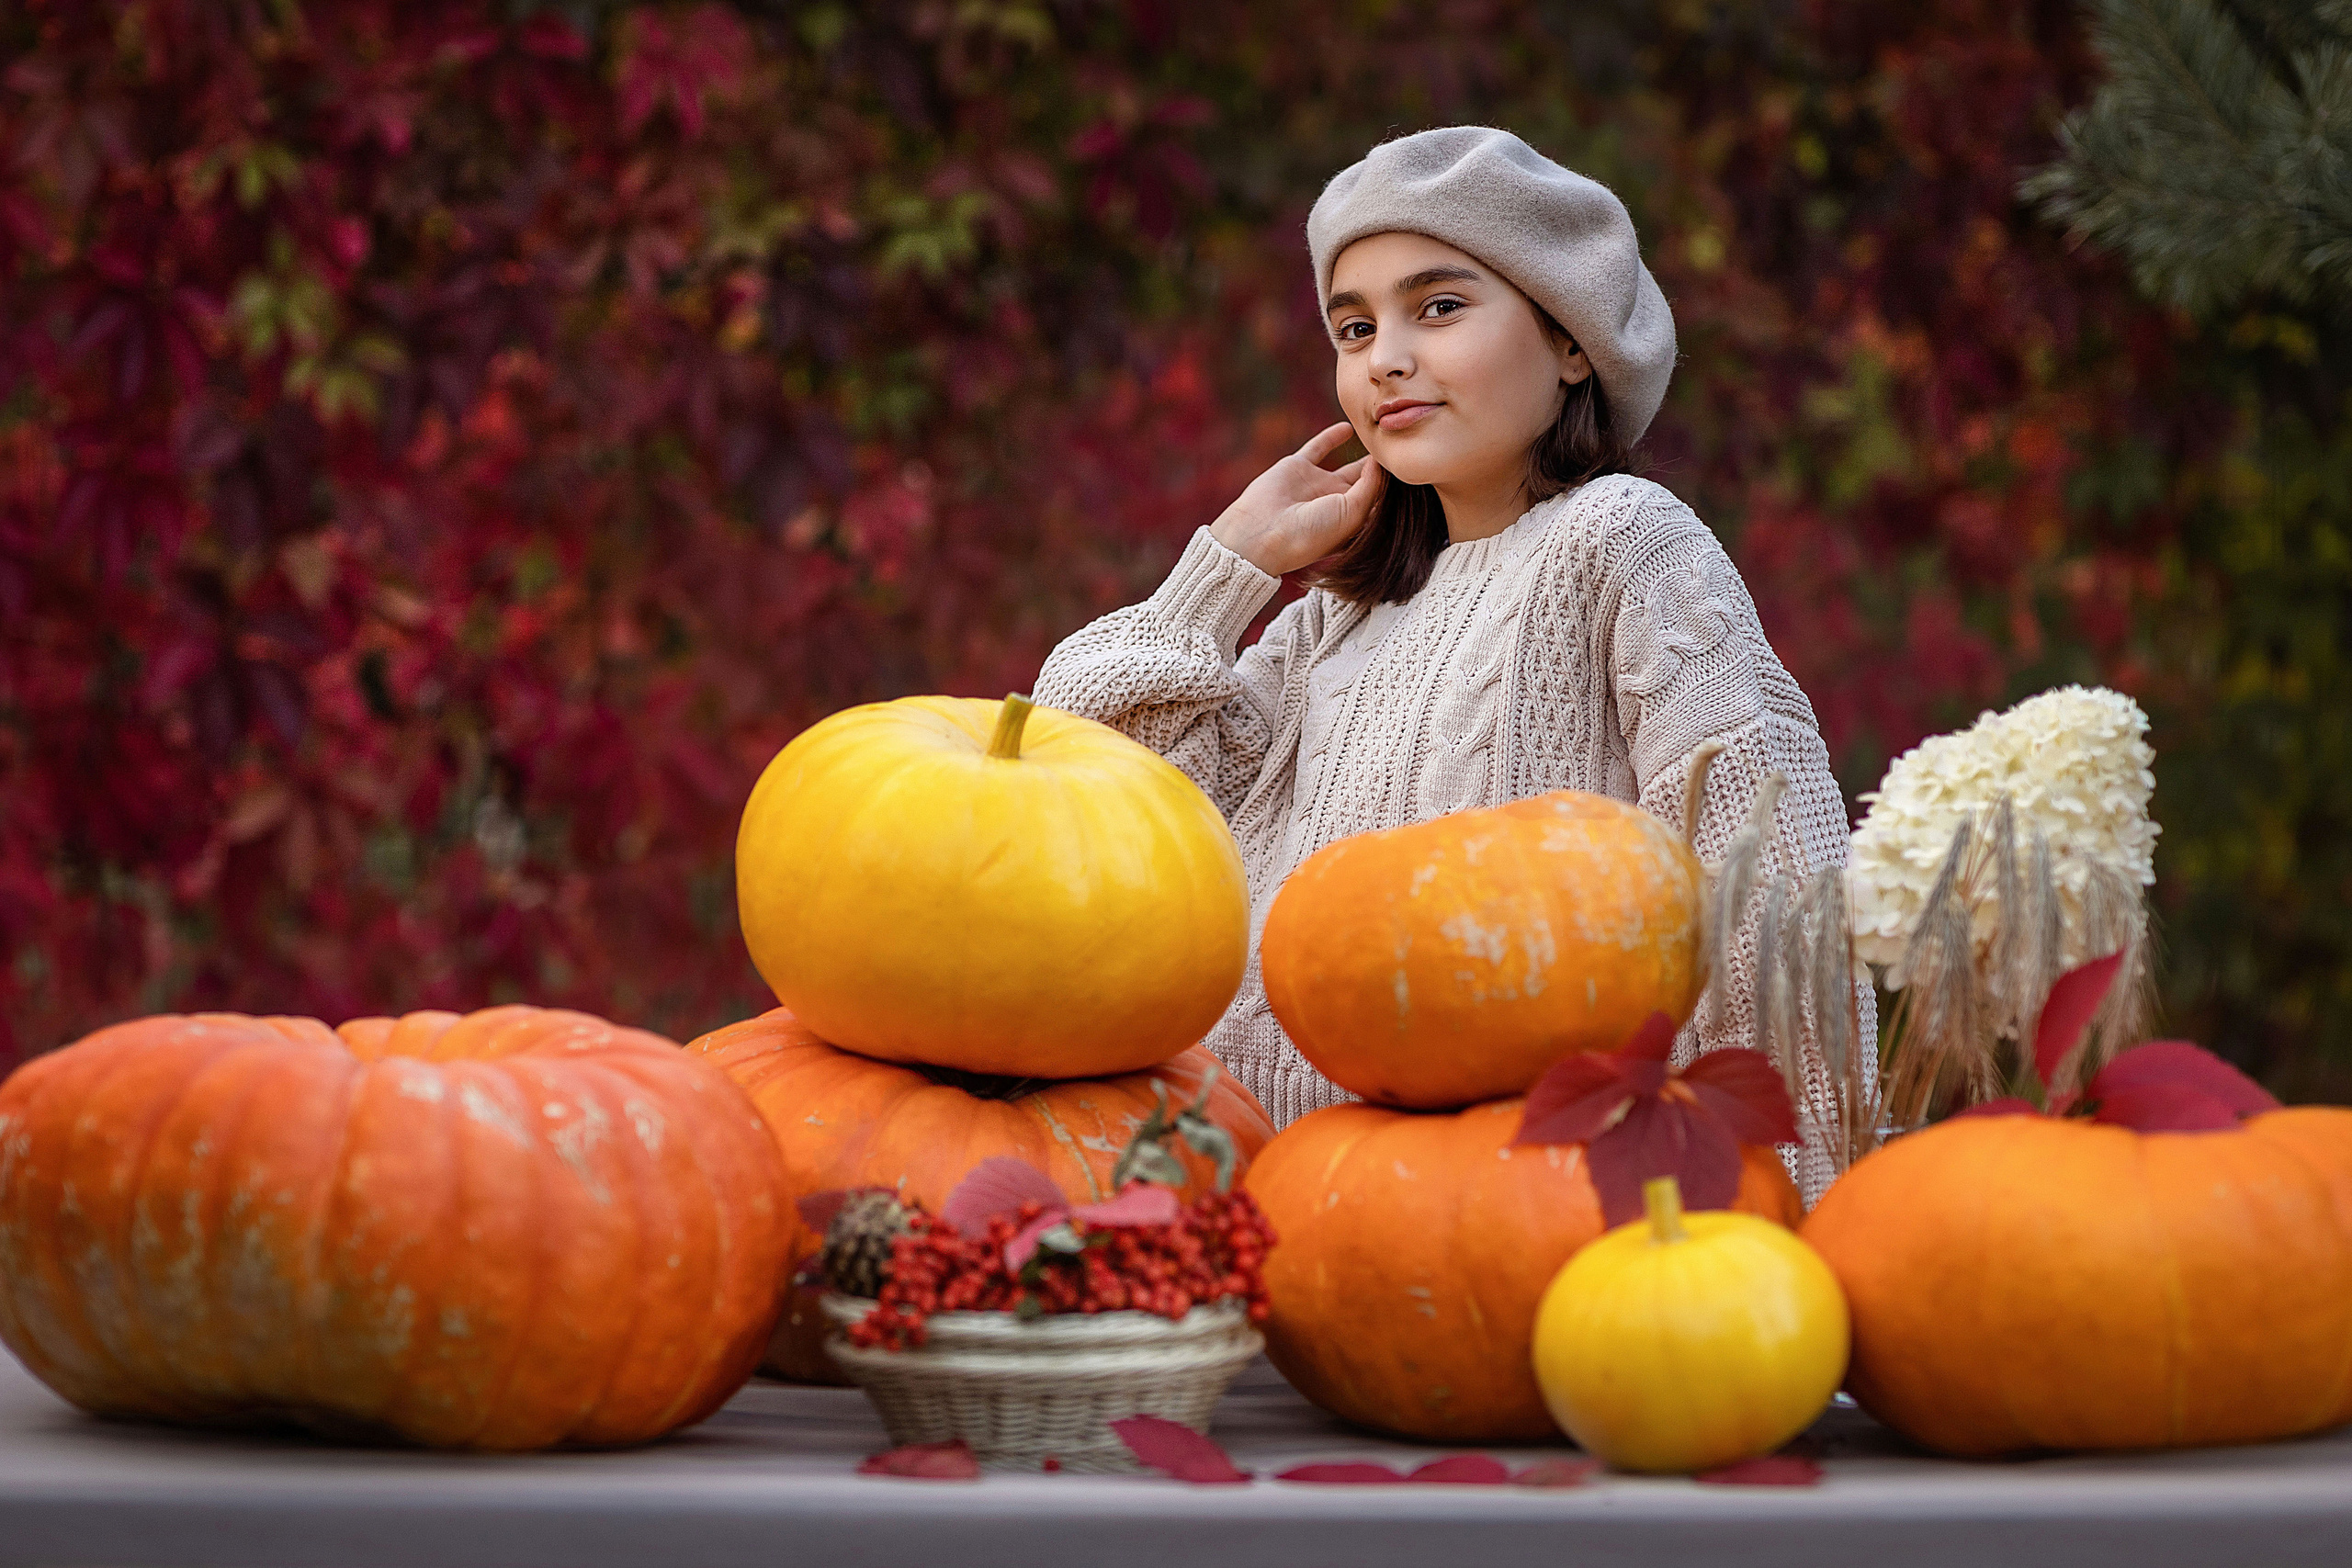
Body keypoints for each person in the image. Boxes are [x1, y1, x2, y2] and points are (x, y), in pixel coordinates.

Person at [1033, 125, 1867, 1201]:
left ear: (1571, 341)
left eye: (1437, 307)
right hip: (1269, 1200)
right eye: (1353, 326)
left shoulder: (1617, 540)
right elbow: (1087, 798)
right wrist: (1229, 563)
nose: (1385, 357)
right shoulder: (1334, 620)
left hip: (1523, 1204)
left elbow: (1769, 892)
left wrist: (1797, 1204)